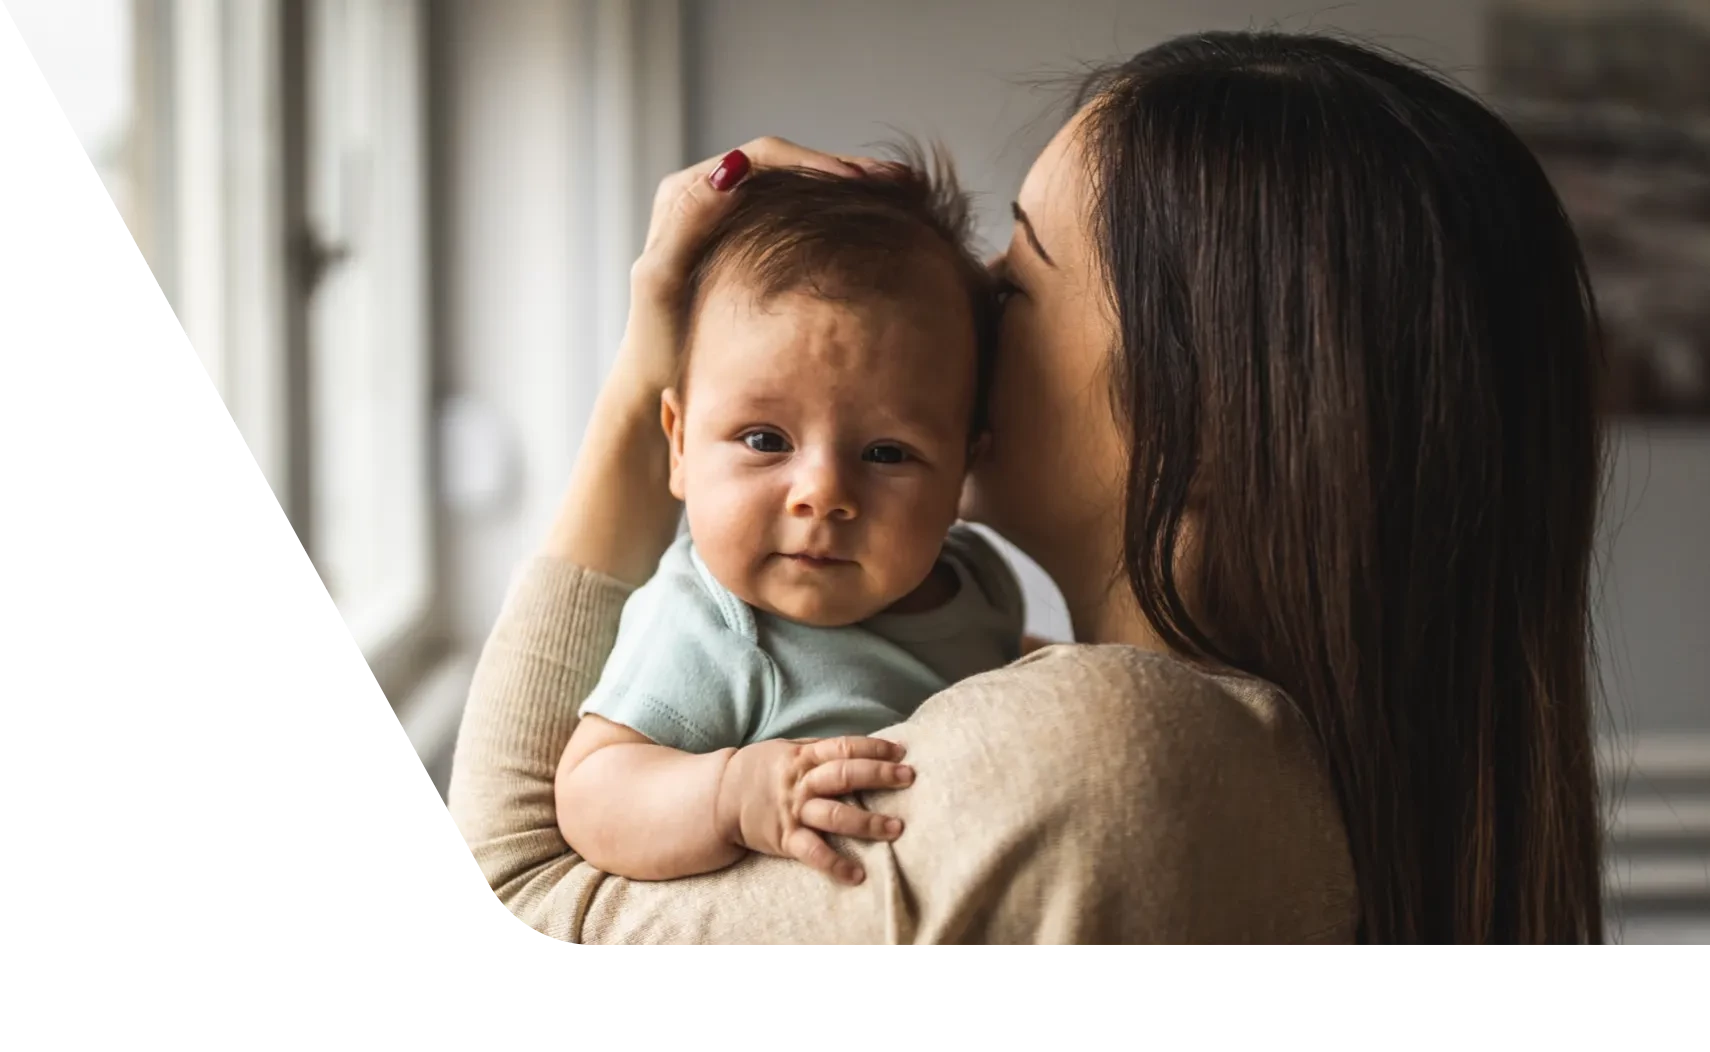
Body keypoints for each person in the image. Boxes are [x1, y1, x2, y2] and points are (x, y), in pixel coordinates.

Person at [448, 31, 1607, 948]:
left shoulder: (1106, 762)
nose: (964, 304)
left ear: (1203, 408)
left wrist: (647, 369)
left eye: (1017, 281)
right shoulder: (1194, 737)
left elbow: (516, 884)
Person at [555, 150, 1034, 887]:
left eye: (886, 452)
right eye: (764, 440)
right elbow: (592, 790)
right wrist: (733, 795)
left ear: (963, 470)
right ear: (679, 445)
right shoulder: (710, 626)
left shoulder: (977, 579)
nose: (823, 493)